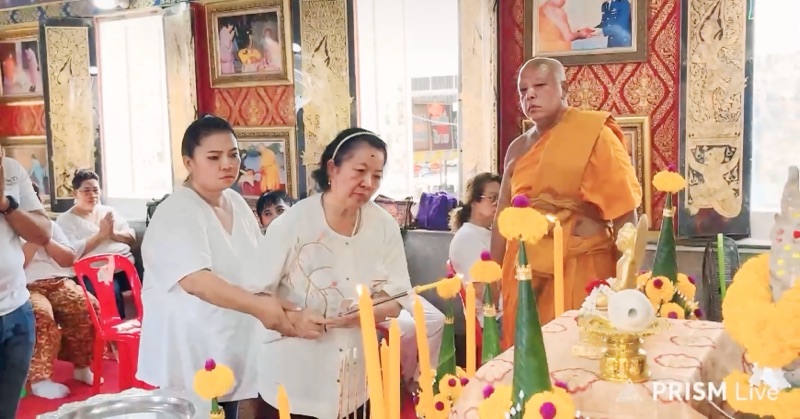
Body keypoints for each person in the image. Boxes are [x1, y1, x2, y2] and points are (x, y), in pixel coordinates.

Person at [136, 116, 317, 419]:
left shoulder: (235, 201)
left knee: (230, 408)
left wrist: (290, 302)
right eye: (214, 157)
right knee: (201, 409)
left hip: (232, 338)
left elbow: (258, 264)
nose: (227, 164)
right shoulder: (177, 211)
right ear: (189, 162)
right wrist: (262, 308)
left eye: (233, 154)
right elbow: (196, 281)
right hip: (193, 344)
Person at [253, 128, 414, 418]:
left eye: (377, 176)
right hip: (293, 378)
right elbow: (257, 294)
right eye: (360, 171)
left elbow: (397, 297)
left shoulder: (384, 226)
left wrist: (365, 311)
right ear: (333, 169)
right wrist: (294, 318)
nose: (368, 183)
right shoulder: (293, 223)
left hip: (354, 378)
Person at [490, 58, 642, 350]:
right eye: (522, 90)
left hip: (579, 265)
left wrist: (627, 279)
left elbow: (624, 212)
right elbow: (503, 217)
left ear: (564, 88)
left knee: (575, 351)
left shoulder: (594, 135)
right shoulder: (518, 148)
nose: (530, 95)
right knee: (528, 355)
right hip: (525, 269)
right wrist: (492, 275)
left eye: (539, 85)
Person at [23, 184, 98, 399]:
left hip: (58, 282)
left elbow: (68, 259)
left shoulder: (50, 225)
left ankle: (82, 366)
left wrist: (46, 239)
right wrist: (33, 240)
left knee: (85, 304)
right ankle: (40, 380)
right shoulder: (7, 229)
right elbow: (16, 265)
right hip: (25, 286)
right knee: (41, 314)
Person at [0, 151, 51, 418]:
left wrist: (5, 203)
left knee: (6, 409)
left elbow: (42, 233)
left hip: (17, 310)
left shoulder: (10, 169)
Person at [56, 169, 137, 319]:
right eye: (86, 191)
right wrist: (100, 236)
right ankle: (114, 329)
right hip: (93, 273)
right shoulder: (65, 220)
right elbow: (70, 253)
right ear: (75, 193)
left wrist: (113, 234)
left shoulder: (109, 212)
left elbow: (131, 238)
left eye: (95, 190)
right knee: (111, 298)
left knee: (142, 295)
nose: (92, 195)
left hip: (125, 267)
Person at [448, 172, 501, 326]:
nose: (498, 204)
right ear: (474, 201)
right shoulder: (467, 238)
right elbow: (488, 297)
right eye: (492, 198)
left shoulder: (487, 233)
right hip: (494, 321)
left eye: (501, 199)